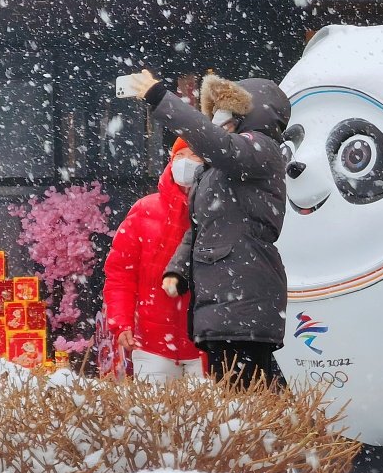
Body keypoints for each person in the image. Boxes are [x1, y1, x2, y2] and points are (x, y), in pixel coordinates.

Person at [121, 69, 289, 388]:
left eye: (227, 118)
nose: (220, 126)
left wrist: (159, 97)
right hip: (221, 304)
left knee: (245, 396)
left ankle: (293, 433)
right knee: (243, 395)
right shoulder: (219, 170)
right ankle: (294, 431)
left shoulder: (261, 150)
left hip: (242, 297)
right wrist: (179, 270)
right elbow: (201, 226)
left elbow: (220, 146)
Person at [103, 138, 205, 383]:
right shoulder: (144, 210)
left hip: (204, 346)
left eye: (194, 156)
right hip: (152, 345)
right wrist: (121, 323)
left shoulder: (215, 211)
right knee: (154, 418)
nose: (185, 163)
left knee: (211, 420)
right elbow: (120, 274)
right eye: (180, 156)